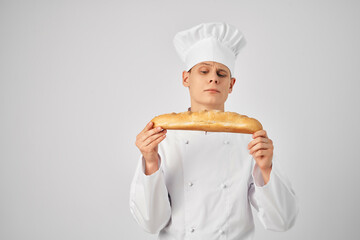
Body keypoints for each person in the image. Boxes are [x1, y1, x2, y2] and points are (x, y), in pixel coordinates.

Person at [129, 22, 298, 240]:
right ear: (186, 79)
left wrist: (266, 168)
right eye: (204, 70)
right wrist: (150, 162)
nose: (213, 78)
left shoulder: (250, 140)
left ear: (231, 84)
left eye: (221, 73)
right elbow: (151, 224)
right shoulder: (162, 137)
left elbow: (283, 221)